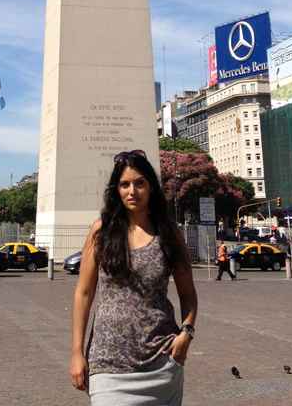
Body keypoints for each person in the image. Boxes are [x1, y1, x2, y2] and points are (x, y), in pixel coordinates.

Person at [69, 150, 198, 405]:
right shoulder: (102, 230)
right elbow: (83, 293)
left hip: (161, 362)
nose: (132, 191)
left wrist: (186, 333)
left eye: (139, 183)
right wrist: (76, 352)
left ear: (151, 187)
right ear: (116, 190)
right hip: (108, 362)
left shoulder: (168, 232)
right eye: (124, 184)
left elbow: (188, 294)